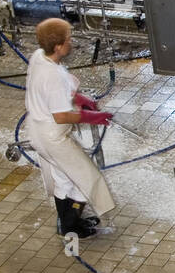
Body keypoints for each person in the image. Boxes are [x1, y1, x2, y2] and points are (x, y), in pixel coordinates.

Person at [25, 18, 116, 238]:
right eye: (68, 39)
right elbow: (61, 115)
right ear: (58, 46)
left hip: (38, 129)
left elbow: (60, 89)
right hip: (53, 137)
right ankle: (71, 225)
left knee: (63, 178)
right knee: (86, 178)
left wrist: (81, 98)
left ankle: (68, 223)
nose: (71, 42)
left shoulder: (39, 57)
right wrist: (93, 116)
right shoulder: (53, 76)